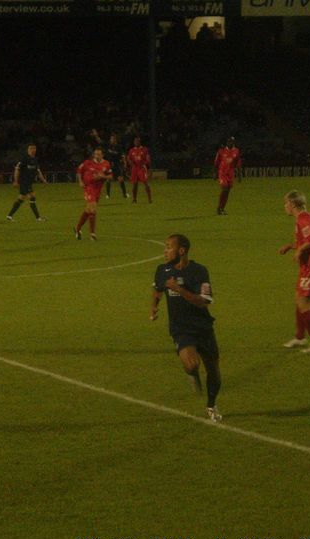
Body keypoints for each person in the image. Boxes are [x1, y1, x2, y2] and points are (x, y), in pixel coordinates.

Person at [150, 234, 222, 422]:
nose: (165, 251)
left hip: (203, 328)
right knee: (191, 363)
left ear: (181, 251)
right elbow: (158, 289)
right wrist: (154, 307)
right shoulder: (162, 270)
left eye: (168, 247)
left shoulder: (199, 271)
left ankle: (211, 404)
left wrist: (179, 289)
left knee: (213, 371)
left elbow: (204, 302)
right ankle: (192, 373)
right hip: (181, 329)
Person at [278, 190, 310, 353]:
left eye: (286, 203)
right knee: (299, 298)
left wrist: (299, 251)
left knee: (304, 302)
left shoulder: (304, 219)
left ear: (292, 204)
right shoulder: (304, 218)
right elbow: (308, 239)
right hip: (308, 265)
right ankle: (300, 337)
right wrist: (291, 246)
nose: (284, 206)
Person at [74, 147, 112, 241]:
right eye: (96, 154)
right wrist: (80, 181)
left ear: (102, 155)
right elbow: (79, 170)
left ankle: (77, 228)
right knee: (93, 208)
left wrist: (103, 176)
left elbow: (110, 176)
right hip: (89, 187)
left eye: (99, 154)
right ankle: (92, 234)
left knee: (88, 210)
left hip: (98, 189)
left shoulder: (106, 164)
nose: (97, 156)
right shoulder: (88, 163)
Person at [7, 143, 48, 221]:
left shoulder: (35, 160)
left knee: (21, 198)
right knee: (32, 197)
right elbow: (17, 169)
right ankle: (38, 218)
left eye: (34, 148)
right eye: (31, 148)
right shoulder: (24, 159)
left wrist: (43, 180)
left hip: (29, 183)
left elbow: (38, 171)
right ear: (28, 150)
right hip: (24, 182)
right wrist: (15, 181)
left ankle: (9, 216)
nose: (33, 150)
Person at [91, 130, 128, 200]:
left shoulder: (119, 147)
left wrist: (125, 162)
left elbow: (122, 155)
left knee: (121, 179)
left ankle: (125, 194)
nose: (112, 140)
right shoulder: (108, 145)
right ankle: (108, 195)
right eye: (111, 139)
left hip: (117, 165)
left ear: (115, 140)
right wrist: (96, 136)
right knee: (108, 179)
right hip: (109, 165)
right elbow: (100, 141)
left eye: (113, 139)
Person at [214, 137, 242, 215]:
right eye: (228, 141)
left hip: (230, 174)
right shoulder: (221, 151)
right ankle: (219, 208)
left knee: (227, 191)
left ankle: (221, 209)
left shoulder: (236, 151)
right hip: (222, 173)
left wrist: (239, 175)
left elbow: (238, 163)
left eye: (231, 141)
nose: (229, 142)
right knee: (224, 188)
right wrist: (215, 173)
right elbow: (216, 162)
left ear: (233, 142)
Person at [127, 136, 152, 204]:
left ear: (140, 142)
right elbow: (128, 158)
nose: (136, 142)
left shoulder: (144, 149)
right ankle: (134, 199)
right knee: (134, 184)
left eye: (138, 141)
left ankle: (150, 199)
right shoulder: (131, 150)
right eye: (135, 141)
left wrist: (147, 164)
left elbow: (148, 158)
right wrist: (131, 163)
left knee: (146, 183)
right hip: (135, 168)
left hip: (142, 168)